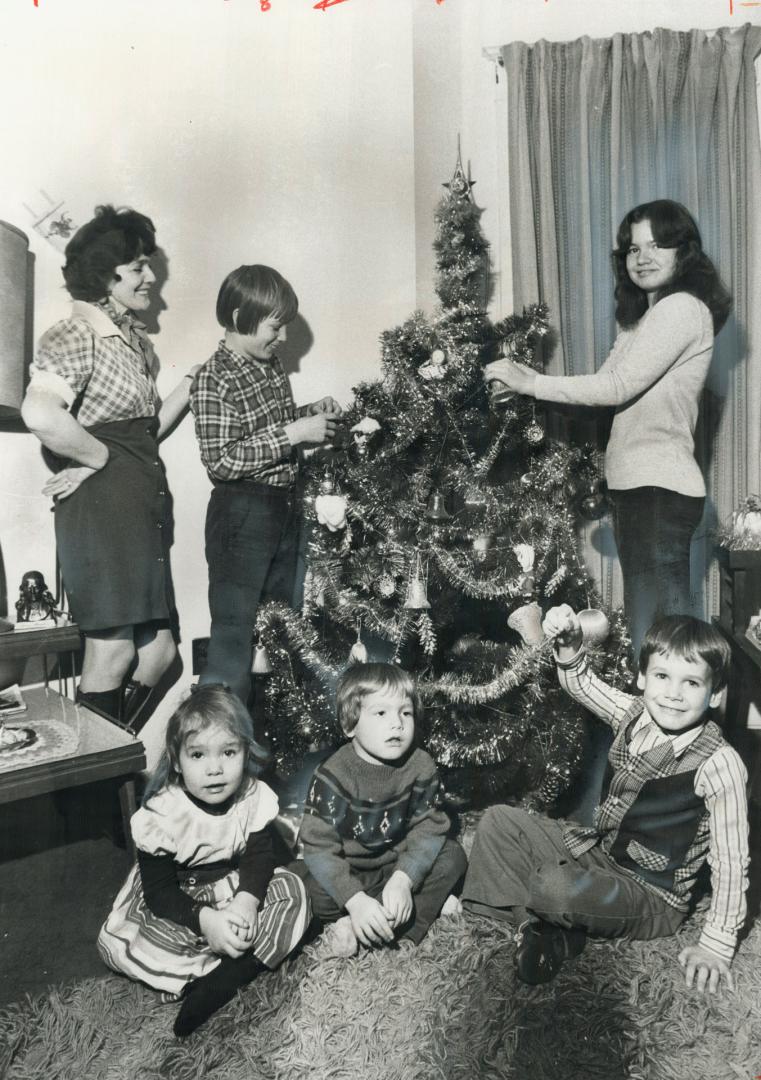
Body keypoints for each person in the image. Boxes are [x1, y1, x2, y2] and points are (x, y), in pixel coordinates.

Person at [484, 200, 732, 655]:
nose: (642, 256)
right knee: (651, 633)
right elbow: (604, 400)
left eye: (658, 244)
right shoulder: (645, 321)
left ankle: (683, 726)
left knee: (665, 640)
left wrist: (532, 380)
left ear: (685, 252)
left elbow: (615, 387)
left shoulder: (681, 308)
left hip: (659, 487)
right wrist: (526, 393)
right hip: (640, 488)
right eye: (632, 248)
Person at [462, 606, 749, 994]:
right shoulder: (633, 713)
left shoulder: (720, 763)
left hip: (652, 894)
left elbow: (731, 861)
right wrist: (567, 645)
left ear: (715, 693)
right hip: (601, 853)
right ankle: (540, 929)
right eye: (662, 676)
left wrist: (717, 943)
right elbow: (582, 684)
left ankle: (541, 916)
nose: (674, 694)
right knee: (497, 822)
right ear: (642, 677)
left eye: (692, 683)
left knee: (554, 885)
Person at [21, 205, 196, 730]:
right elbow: (39, 412)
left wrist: (190, 385)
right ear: (106, 274)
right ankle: (90, 801)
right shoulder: (76, 334)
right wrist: (96, 457)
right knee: (112, 654)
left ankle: (104, 761)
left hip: (139, 501)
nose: (152, 277)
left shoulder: (132, 342)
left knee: (161, 652)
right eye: (139, 266)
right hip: (102, 506)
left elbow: (142, 432)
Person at [97, 684, 310, 1037]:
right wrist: (207, 921)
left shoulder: (251, 796)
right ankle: (212, 967)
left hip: (235, 886)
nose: (215, 769)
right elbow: (160, 892)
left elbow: (259, 858)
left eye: (228, 752)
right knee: (132, 943)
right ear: (177, 760)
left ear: (245, 752)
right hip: (183, 900)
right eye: (198, 755)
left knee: (294, 890)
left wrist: (246, 902)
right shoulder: (164, 813)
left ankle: (234, 972)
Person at [190, 264, 343, 707]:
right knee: (234, 634)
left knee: (282, 625)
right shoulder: (212, 377)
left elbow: (271, 428)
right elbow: (222, 461)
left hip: (283, 507)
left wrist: (312, 414)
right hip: (240, 513)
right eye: (275, 327)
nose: (283, 339)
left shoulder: (270, 365)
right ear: (240, 317)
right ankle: (222, 740)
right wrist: (297, 434)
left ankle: (273, 734)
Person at [292, 662, 467, 957]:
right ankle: (357, 918)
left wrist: (403, 879)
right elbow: (319, 849)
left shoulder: (421, 765)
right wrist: (355, 900)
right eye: (381, 713)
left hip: (396, 866)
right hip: (350, 871)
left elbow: (429, 829)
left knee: (453, 857)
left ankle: (410, 928)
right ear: (350, 725)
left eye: (405, 712)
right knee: (307, 887)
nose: (397, 723)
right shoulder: (333, 775)